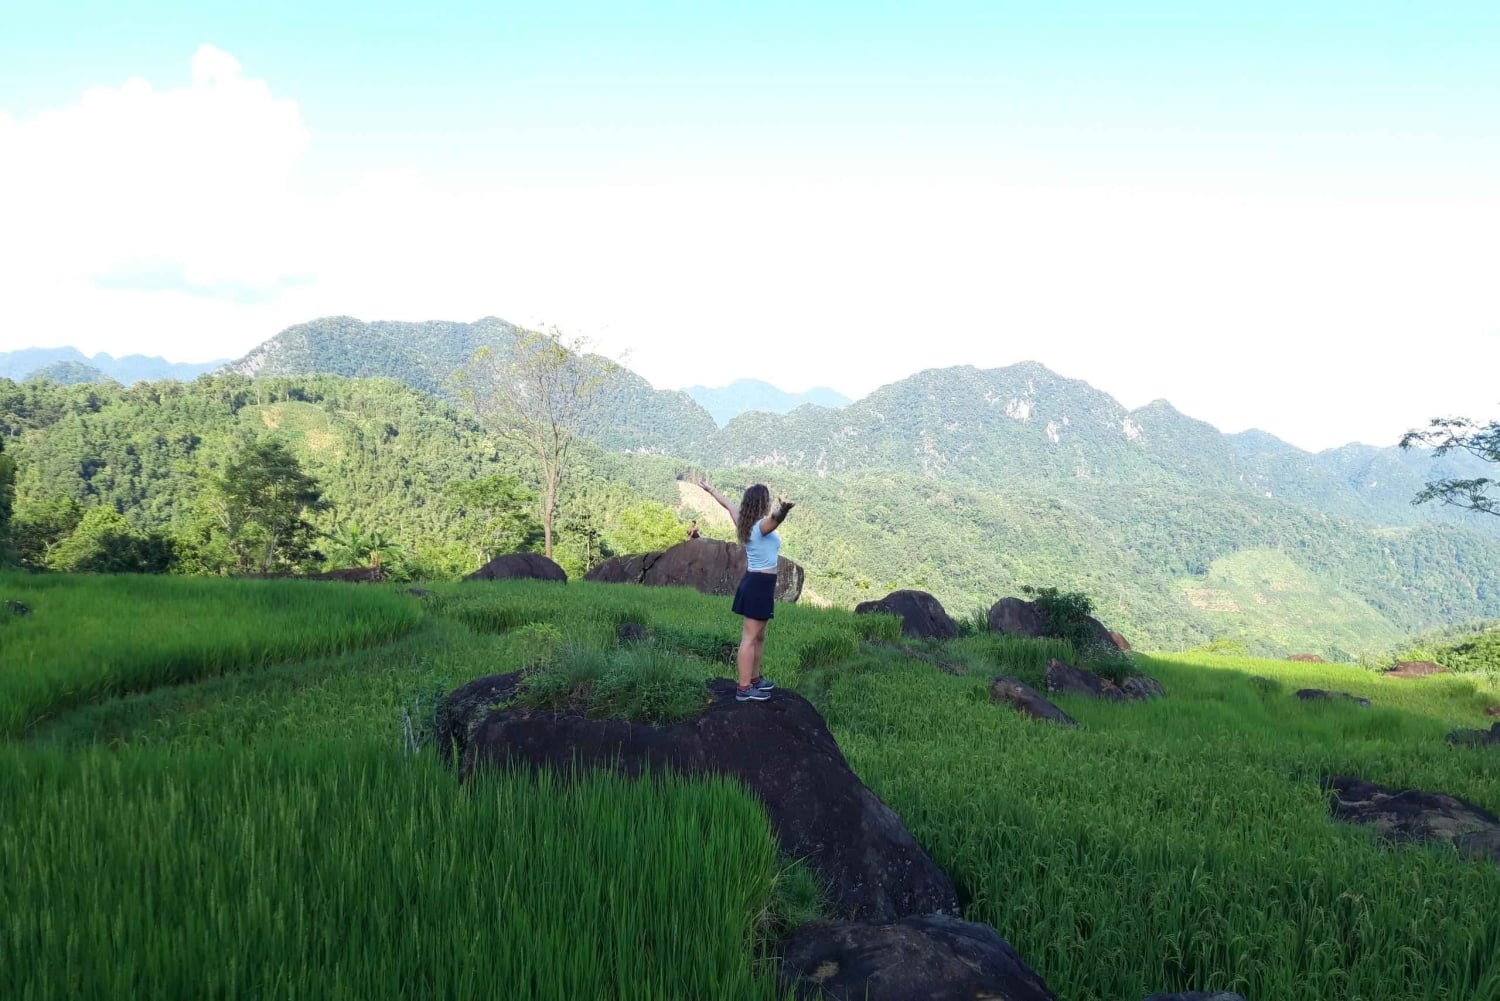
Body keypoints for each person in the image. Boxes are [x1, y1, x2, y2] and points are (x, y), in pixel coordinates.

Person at [697, 480, 795, 702]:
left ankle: (755, 679)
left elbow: (726, 503)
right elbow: (775, 519)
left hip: (758, 584)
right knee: (750, 637)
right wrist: (784, 509)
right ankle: (743, 688)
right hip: (758, 585)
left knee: (759, 635)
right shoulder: (759, 527)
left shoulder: (742, 521)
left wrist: (710, 489)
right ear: (762, 503)